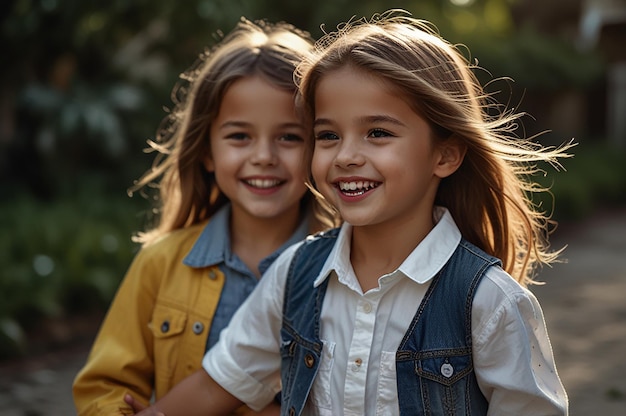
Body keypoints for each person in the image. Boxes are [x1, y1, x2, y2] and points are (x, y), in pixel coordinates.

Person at [135, 9, 572, 416]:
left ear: (446, 154)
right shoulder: (293, 276)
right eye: (327, 135)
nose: (345, 156)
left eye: (377, 132)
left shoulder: (490, 302)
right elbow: (219, 383)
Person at [72, 17, 339, 416]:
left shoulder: (344, 268)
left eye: (289, 137)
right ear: (208, 151)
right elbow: (104, 387)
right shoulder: (162, 262)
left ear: (318, 147)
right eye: (239, 136)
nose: (263, 156)